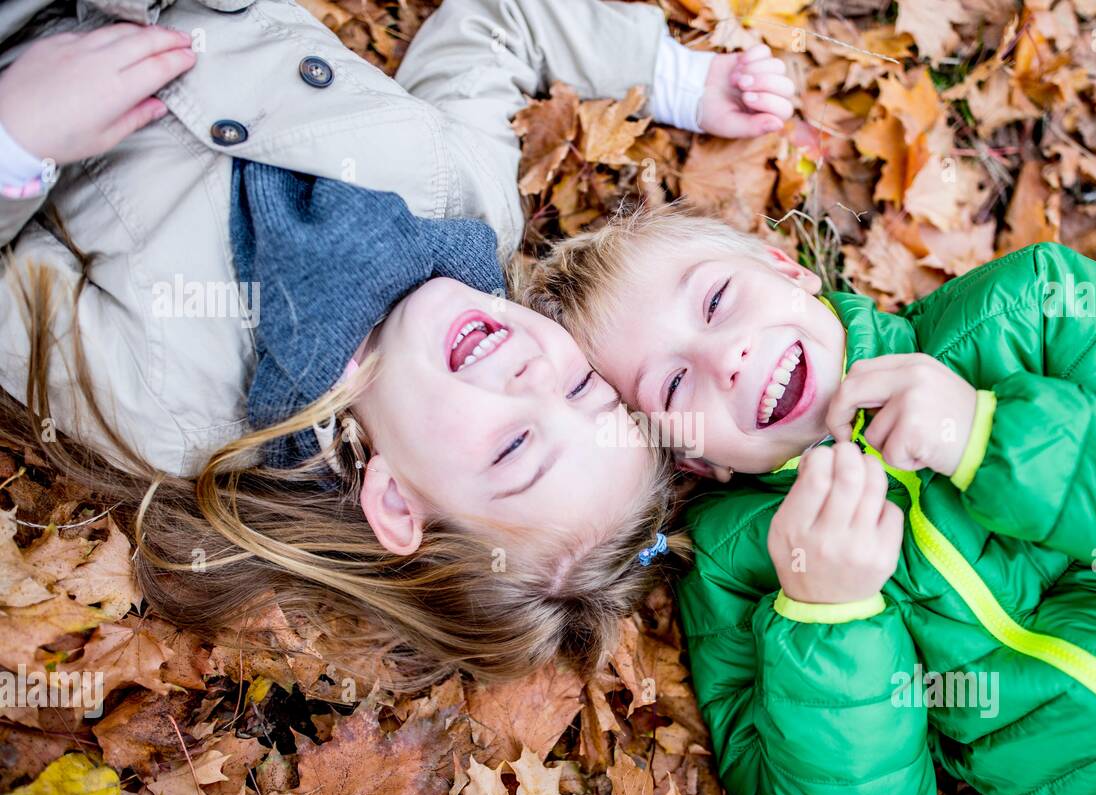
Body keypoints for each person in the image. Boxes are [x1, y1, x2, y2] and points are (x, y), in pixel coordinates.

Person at [0, 1, 792, 685]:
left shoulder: (171, 405)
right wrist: (676, 78)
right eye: (584, 390)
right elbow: (495, 25)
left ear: (394, 500)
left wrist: (19, 137)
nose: (532, 371)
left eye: (516, 446)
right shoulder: (467, 201)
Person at [525, 201, 1096, 795]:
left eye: (719, 300)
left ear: (787, 268)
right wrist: (830, 621)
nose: (726, 359)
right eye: (672, 382)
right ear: (692, 457)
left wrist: (993, 440)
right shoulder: (739, 572)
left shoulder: (1029, 313)